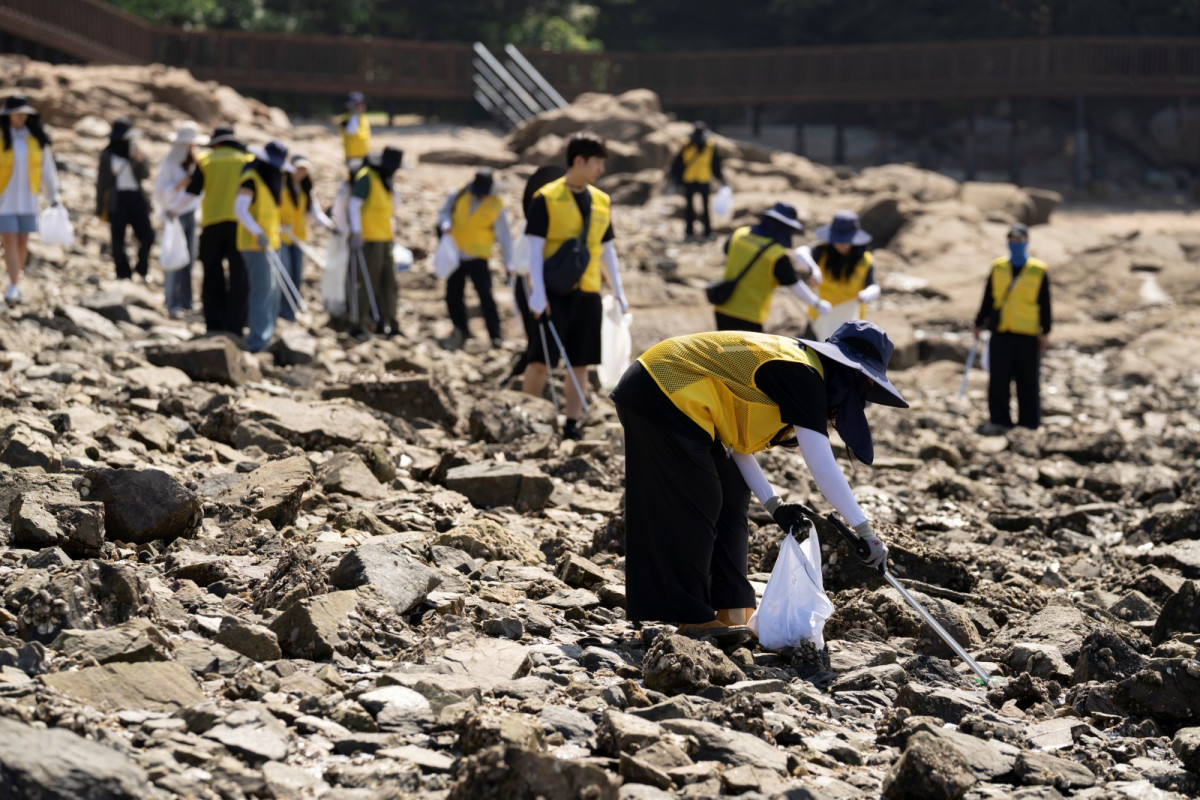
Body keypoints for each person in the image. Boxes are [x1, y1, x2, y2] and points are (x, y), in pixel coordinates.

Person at [610, 320, 907, 637]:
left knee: (732, 492)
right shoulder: (803, 374)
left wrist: (774, 506)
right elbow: (822, 465)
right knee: (701, 498)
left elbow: (737, 445)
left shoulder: (803, 371)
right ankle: (691, 615)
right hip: (660, 387)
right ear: (851, 372)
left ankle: (733, 607)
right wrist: (865, 532)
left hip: (681, 400)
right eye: (867, 382)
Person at [523, 131, 629, 441]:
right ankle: (523, 415)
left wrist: (618, 291)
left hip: (589, 292)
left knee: (580, 363)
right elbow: (534, 248)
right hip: (554, 292)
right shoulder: (545, 198)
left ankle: (571, 423)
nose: (601, 170)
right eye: (597, 163)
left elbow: (606, 249)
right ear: (579, 161)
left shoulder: (601, 201)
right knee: (540, 360)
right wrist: (538, 292)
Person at [973, 223, 1051, 431]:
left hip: (1028, 332)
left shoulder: (1038, 270)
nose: (1015, 243)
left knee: (1028, 380)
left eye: (1019, 240)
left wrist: (1045, 331)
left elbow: (1045, 303)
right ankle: (1000, 420)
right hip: (1001, 330)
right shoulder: (998, 267)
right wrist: (979, 323)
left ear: (1026, 241)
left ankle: (1029, 423)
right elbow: (988, 298)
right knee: (999, 378)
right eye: (1011, 240)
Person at [711, 202, 830, 332]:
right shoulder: (776, 254)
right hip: (749, 315)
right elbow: (794, 285)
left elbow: (727, 251)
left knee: (722, 345)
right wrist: (817, 303)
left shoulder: (739, 234)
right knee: (746, 347)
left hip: (723, 306)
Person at [184, 127, 254, 335]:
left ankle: (214, 323)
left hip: (212, 222)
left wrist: (171, 210)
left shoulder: (206, 160)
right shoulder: (247, 160)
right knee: (239, 275)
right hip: (240, 224)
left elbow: (193, 191)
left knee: (212, 273)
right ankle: (236, 326)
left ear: (216, 143)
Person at [437, 168, 513, 349]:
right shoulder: (460, 193)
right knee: (453, 295)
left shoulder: (496, 204)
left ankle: (495, 336)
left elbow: (505, 236)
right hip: (456, 254)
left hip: (478, 257)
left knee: (485, 296)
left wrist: (508, 261)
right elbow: (443, 212)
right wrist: (446, 224)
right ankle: (461, 331)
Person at [0, 94, 59, 304]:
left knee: (23, 241)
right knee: (9, 240)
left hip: (28, 199)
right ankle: (13, 284)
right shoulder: (1, 136)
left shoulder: (35, 139)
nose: (21, 117)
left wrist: (54, 196)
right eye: (17, 113)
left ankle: (16, 280)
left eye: (23, 113)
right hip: (4, 200)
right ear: (8, 115)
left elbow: (47, 170)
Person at [234, 139, 289, 353]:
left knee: (273, 291)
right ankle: (258, 340)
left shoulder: (269, 181)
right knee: (262, 291)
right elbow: (240, 210)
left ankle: (267, 333)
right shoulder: (251, 179)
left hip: (271, 243)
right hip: (254, 245)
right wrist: (258, 232)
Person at [348, 146, 403, 340]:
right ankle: (358, 325)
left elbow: (391, 211)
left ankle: (392, 324)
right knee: (366, 283)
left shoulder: (387, 181)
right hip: (369, 239)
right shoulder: (367, 177)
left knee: (390, 283)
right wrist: (356, 232)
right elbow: (354, 205)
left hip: (386, 239)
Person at [278, 153, 334, 321]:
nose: (300, 172)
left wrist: (329, 225)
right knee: (285, 272)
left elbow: (315, 212)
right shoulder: (280, 185)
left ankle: (290, 312)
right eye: (298, 169)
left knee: (297, 274)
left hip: (299, 238)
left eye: (304, 169)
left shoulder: (306, 189)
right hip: (282, 237)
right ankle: (281, 311)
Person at [96, 119, 154, 282]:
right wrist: (99, 207)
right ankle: (123, 273)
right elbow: (102, 182)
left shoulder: (134, 151)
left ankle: (142, 269)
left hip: (136, 198)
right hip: (117, 200)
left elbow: (145, 174)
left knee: (148, 236)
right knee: (118, 239)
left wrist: (139, 159)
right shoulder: (107, 155)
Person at [155, 121, 200, 317]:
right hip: (174, 215)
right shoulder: (169, 164)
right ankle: (171, 301)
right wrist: (179, 186)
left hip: (191, 213)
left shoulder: (194, 163)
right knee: (174, 258)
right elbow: (159, 194)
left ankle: (186, 301)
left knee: (188, 259)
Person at [808, 210, 880, 327]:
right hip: (818, 316)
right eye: (838, 240)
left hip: (849, 321)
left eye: (845, 240)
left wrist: (866, 294)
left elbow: (874, 286)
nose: (841, 244)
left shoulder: (865, 260)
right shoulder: (821, 252)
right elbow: (801, 253)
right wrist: (813, 269)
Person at [670, 121, 725, 241]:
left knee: (693, 207)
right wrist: (720, 178)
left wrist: (676, 179)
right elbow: (715, 164)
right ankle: (702, 232)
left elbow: (678, 164)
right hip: (699, 179)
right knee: (699, 207)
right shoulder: (705, 145)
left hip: (694, 179)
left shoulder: (690, 144)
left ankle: (695, 232)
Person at [336, 92, 371, 175]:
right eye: (358, 105)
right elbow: (351, 132)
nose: (362, 106)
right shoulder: (344, 119)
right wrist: (354, 114)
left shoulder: (363, 117)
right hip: (352, 156)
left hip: (365, 155)